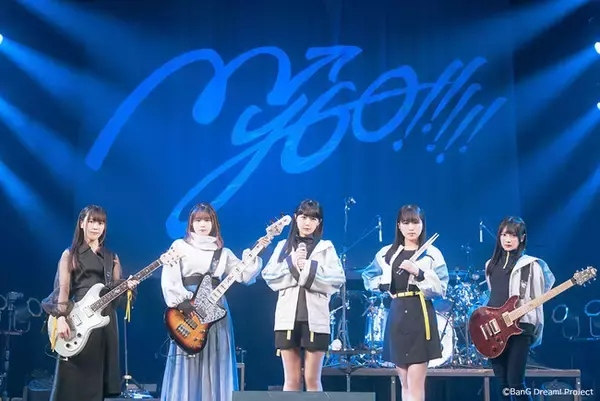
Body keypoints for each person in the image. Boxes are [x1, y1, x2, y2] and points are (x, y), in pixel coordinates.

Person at [160, 203, 270, 401]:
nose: (202, 224)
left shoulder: (223, 253)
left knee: (216, 357)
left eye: (207, 220)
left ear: (214, 223)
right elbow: (169, 276)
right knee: (187, 358)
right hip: (187, 311)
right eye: (198, 220)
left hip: (216, 309)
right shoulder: (179, 246)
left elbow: (244, 275)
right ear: (191, 223)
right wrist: (183, 304)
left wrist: (257, 253)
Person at [42, 205, 139, 401]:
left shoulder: (111, 257)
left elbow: (116, 295)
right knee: (71, 381)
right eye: (92, 221)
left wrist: (127, 288)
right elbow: (63, 289)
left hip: (104, 321)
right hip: (78, 318)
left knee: (97, 382)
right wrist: (61, 317)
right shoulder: (70, 254)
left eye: (100, 223)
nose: (96, 227)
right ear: (82, 223)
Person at [362, 204, 448, 401]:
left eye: (415, 222)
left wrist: (418, 273)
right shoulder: (386, 253)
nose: (411, 227)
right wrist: (383, 286)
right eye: (406, 222)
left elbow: (442, 288)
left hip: (421, 314)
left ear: (422, 224)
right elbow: (368, 277)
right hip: (397, 315)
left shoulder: (432, 253)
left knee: (415, 384)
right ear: (398, 225)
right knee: (404, 383)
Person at [262, 199, 346, 392]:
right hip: (287, 319)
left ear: (319, 222)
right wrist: (292, 263)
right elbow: (269, 275)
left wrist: (308, 267)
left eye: (313, 218)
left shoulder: (326, 247)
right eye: (303, 217)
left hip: (315, 319)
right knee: (291, 380)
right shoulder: (283, 246)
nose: (307, 223)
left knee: (312, 379)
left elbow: (337, 278)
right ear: (295, 218)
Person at [484, 216, 555, 401]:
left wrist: (534, 329)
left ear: (522, 238)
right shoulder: (490, 265)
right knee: (501, 383)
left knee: (515, 383)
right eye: (504, 235)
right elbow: (493, 294)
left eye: (513, 235)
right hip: (496, 330)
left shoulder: (532, 265)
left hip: (521, 328)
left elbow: (539, 297)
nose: (508, 239)